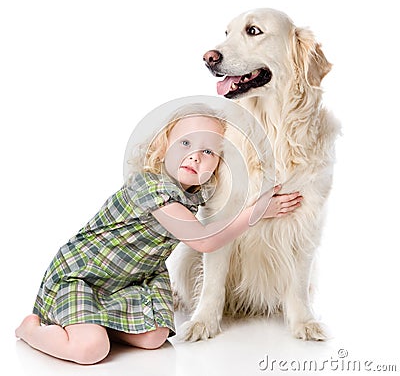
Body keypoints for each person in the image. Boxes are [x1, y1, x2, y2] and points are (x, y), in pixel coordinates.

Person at [15, 105, 303, 365]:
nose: (194, 156)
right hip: (84, 277)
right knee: (92, 350)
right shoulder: (149, 186)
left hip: (129, 280)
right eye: (186, 143)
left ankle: (97, 321)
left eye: (209, 152)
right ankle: (32, 332)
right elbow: (203, 240)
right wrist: (256, 212)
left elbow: (233, 198)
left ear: (219, 164)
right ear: (163, 146)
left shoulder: (195, 194)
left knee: (155, 337)